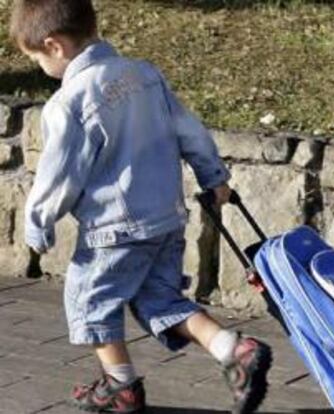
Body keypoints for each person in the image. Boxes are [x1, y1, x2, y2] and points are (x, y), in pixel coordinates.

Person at [9, 1, 273, 413]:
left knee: (88, 301)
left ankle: (121, 387)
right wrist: (213, 176)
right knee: (160, 300)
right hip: (167, 218)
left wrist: (38, 223)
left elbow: (59, 173)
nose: (42, 67)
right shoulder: (145, 74)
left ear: (53, 45)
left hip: (114, 230)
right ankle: (234, 350)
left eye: (37, 59)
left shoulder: (69, 102)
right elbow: (188, 128)